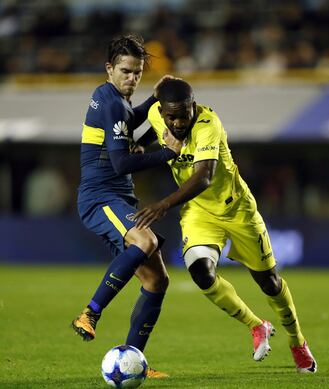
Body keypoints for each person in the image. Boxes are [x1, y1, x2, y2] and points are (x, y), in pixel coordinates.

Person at [134, 78, 317, 373]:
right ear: (162, 111)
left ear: (193, 106)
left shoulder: (208, 123)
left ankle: (298, 341)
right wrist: (139, 146)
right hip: (199, 213)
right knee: (201, 272)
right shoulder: (158, 114)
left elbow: (203, 176)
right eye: (172, 116)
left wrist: (163, 204)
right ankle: (256, 325)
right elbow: (150, 131)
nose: (179, 122)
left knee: (269, 283)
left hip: (237, 210)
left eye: (184, 114)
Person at [71, 34, 183, 378]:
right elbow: (121, 162)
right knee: (145, 241)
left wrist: (154, 97)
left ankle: (134, 359)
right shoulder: (110, 102)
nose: (131, 78)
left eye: (137, 72)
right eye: (125, 71)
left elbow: (130, 127)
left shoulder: (112, 99)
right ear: (109, 69)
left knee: (157, 281)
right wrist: (167, 152)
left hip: (118, 197)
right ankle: (90, 313)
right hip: (100, 197)